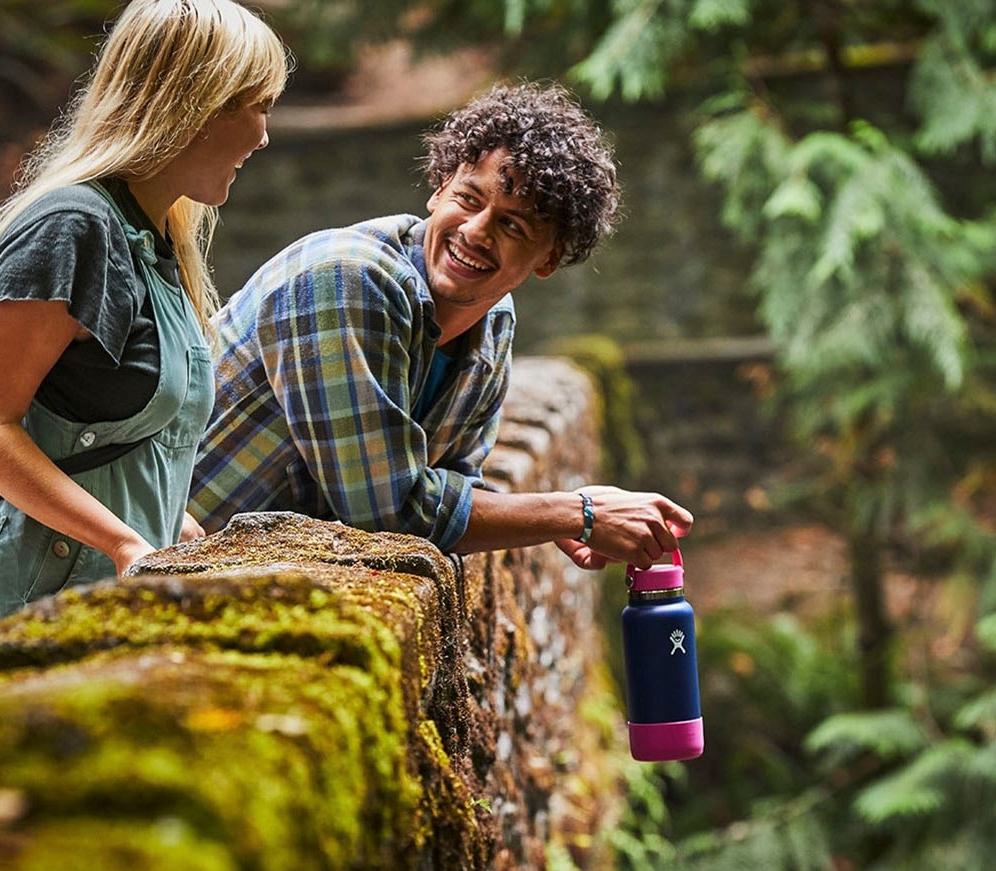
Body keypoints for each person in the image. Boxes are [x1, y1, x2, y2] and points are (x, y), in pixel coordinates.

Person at [190, 81, 693, 570]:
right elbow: (387, 510)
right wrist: (575, 515)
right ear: (438, 189)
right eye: (469, 200)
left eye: (512, 225)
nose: (475, 232)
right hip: (150, 579)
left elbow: (445, 484)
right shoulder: (344, 276)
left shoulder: (492, 324)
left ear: (548, 259)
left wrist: (553, 523)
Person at [0, 0, 290, 619]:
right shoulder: (73, 227)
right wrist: (124, 543)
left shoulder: (159, 243)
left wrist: (174, 534)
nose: (264, 136)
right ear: (196, 103)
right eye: (257, 105)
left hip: (100, 611)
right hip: (25, 611)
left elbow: (131, 448)